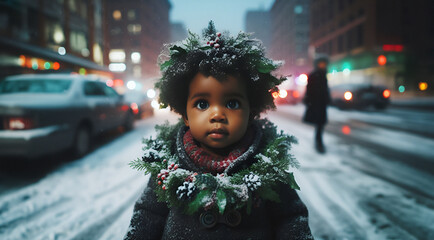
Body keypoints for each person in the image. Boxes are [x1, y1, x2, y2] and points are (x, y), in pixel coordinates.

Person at [125, 22, 313, 240]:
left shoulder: (267, 166)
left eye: (232, 103)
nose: (217, 115)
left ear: (250, 111)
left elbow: (290, 218)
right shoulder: (169, 166)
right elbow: (148, 215)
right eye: (202, 104)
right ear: (185, 114)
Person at [303, 56, 331, 154]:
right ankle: (319, 143)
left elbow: (325, 89)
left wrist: (327, 99)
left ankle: (319, 142)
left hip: (321, 104)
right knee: (319, 124)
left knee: (320, 124)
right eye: (321, 63)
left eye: (324, 64)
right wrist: (309, 100)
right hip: (316, 104)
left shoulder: (323, 75)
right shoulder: (314, 75)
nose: (322, 65)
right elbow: (309, 90)